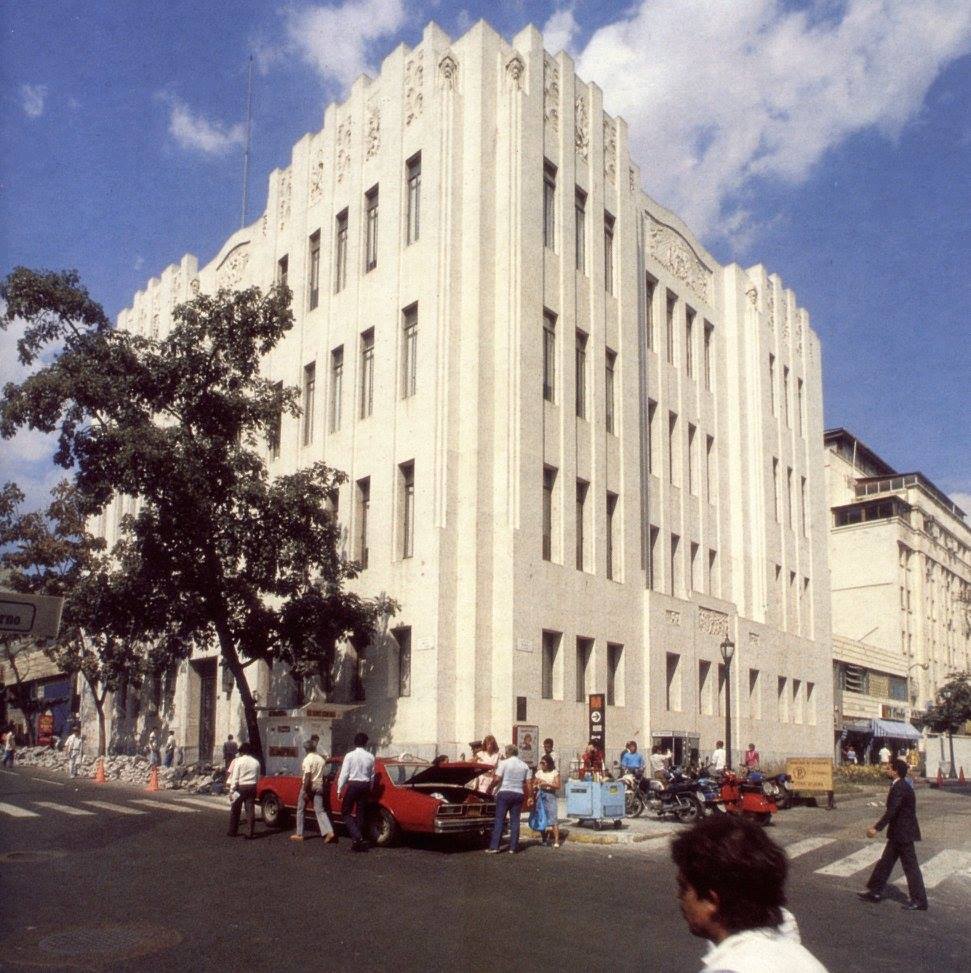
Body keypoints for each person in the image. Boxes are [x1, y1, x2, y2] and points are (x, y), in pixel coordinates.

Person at [671, 815, 828, 971]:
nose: (679, 896)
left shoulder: (730, 968)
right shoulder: (802, 958)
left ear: (712, 901)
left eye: (684, 887)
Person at [858, 758, 928, 911]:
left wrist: (877, 828)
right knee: (885, 863)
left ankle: (919, 900)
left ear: (895, 771)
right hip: (899, 833)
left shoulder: (900, 787)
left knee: (910, 867)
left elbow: (893, 810)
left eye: (889, 767)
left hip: (903, 833)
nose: (886, 769)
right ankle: (875, 892)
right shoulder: (900, 785)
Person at [486, 745, 532, 854]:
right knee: (515, 821)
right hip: (518, 793)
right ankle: (513, 847)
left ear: (507, 753)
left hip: (505, 793)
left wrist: (490, 788)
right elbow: (529, 783)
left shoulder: (504, 763)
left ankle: (495, 847)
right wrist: (530, 796)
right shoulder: (524, 765)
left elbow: (497, 779)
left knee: (500, 820)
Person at [291, 738, 336, 844]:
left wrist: (305, 791)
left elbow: (307, 777)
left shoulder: (307, 759)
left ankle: (299, 833)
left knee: (301, 809)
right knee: (320, 810)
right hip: (319, 785)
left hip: (309, 785)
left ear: (306, 749)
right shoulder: (320, 759)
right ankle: (329, 831)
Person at [337, 732, 375, 852]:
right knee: (360, 813)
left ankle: (356, 835)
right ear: (365, 743)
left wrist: (339, 789)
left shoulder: (349, 755)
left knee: (345, 811)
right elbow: (372, 776)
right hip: (365, 785)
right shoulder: (371, 757)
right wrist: (370, 788)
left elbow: (344, 774)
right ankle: (356, 840)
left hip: (353, 785)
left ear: (355, 742)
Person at [226, 742, 261, 839]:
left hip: (240, 788)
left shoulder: (239, 761)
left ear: (241, 751)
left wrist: (232, 791)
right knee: (250, 810)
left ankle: (232, 831)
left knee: (235, 809)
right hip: (252, 787)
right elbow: (258, 777)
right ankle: (250, 833)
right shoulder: (256, 762)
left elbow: (235, 777)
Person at [533, 754, 561, 848]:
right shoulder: (539, 773)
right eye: (541, 763)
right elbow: (534, 784)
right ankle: (544, 838)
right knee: (541, 817)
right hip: (541, 795)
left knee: (553, 818)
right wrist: (537, 783)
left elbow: (558, 786)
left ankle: (556, 840)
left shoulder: (554, 773)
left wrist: (547, 783)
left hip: (550, 795)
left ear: (549, 764)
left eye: (543, 763)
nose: (542, 765)